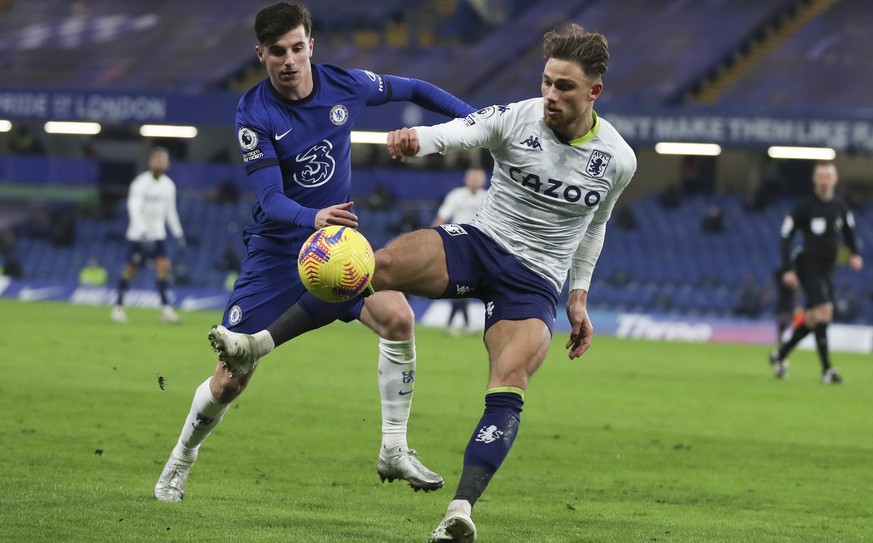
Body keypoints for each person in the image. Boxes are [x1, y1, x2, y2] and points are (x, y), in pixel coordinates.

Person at [210, 23, 635, 542]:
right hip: (479, 242)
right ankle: (256, 343)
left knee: (508, 385)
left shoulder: (618, 159)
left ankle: (459, 510)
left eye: (564, 87)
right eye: (546, 81)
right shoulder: (518, 117)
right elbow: (465, 130)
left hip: (536, 279)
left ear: (594, 91)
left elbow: (597, 225)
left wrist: (579, 295)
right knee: (369, 266)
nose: (550, 94)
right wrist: (419, 141)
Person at [153, 1, 475, 503]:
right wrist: (314, 217)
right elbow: (270, 199)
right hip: (278, 252)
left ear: (311, 45)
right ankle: (181, 458)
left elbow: (414, 89)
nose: (289, 60)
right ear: (261, 53)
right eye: (277, 51)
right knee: (231, 380)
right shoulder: (254, 112)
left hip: (336, 250)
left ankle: (394, 448)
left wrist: (479, 123)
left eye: (297, 48)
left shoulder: (346, 85)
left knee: (398, 319)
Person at [769, 162, 863, 384]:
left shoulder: (840, 206)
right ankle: (827, 371)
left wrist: (854, 254)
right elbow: (785, 237)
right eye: (820, 176)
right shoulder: (804, 207)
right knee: (824, 312)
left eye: (827, 176)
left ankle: (780, 355)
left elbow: (849, 232)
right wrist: (788, 268)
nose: (823, 181)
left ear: (835, 179)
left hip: (829, 269)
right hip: (808, 268)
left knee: (814, 319)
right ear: (814, 179)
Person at [111, 147, 185, 324]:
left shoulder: (168, 185)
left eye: (162, 160)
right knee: (130, 270)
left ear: (168, 164)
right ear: (150, 162)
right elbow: (133, 207)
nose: (159, 163)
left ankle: (166, 310)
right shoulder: (140, 183)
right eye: (156, 159)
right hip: (138, 235)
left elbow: (170, 212)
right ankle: (118, 308)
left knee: (164, 268)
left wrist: (178, 233)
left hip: (158, 234)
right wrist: (142, 231)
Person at [432, 168, 488, 335]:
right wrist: (432, 237)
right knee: (462, 282)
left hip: (479, 245)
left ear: (483, 181)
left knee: (466, 285)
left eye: (478, 178)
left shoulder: (488, 197)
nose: (475, 180)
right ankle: (463, 325)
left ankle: (453, 324)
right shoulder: (456, 195)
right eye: (472, 177)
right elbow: (442, 217)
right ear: (466, 179)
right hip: (458, 243)